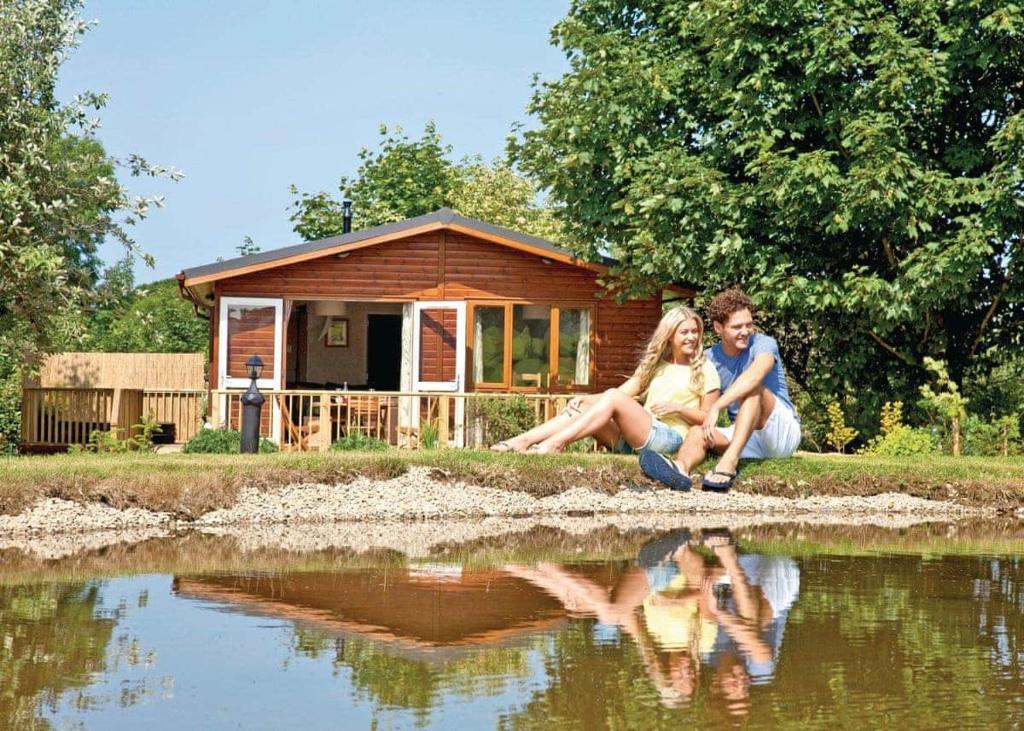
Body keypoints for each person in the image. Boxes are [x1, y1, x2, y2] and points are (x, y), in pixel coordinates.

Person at [490, 306, 720, 458]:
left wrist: (678, 408)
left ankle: (555, 444)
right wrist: (585, 399)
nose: (691, 337)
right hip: (636, 438)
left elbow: (708, 419)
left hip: (670, 439)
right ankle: (522, 441)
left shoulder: (704, 369)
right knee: (585, 405)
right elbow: (622, 393)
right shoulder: (656, 364)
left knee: (609, 397)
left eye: (694, 332)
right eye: (685, 332)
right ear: (670, 335)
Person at [639, 288, 801, 492]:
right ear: (718, 328)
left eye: (749, 325)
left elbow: (755, 376)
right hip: (743, 435)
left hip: (779, 431)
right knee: (699, 431)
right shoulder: (709, 358)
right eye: (737, 327)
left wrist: (717, 408)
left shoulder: (764, 344)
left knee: (754, 389)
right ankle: (680, 470)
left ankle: (729, 463)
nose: (746, 331)